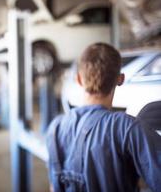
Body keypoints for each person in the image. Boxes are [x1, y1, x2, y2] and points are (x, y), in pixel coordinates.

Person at [46, 43, 161, 192]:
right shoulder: (128, 128)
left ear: (79, 79)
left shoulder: (56, 128)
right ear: (120, 79)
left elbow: (54, 187)